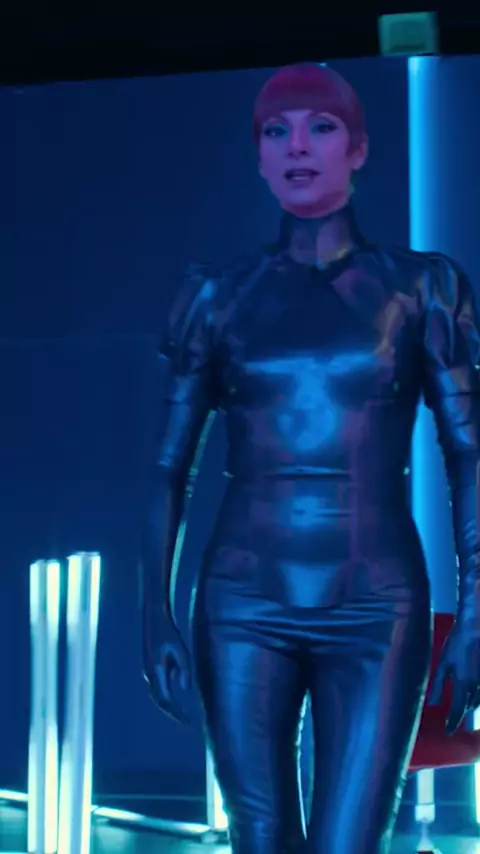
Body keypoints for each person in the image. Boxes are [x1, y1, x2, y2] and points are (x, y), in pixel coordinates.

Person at [141, 63, 480, 854]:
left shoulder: (419, 289)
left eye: (320, 127)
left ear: (358, 148)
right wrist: (154, 608)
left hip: (375, 607)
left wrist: (476, 611)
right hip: (241, 604)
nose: (298, 146)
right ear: (259, 156)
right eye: (277, 131)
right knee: (259, 842)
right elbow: (168, 467)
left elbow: (468, 452)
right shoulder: (218, 298)